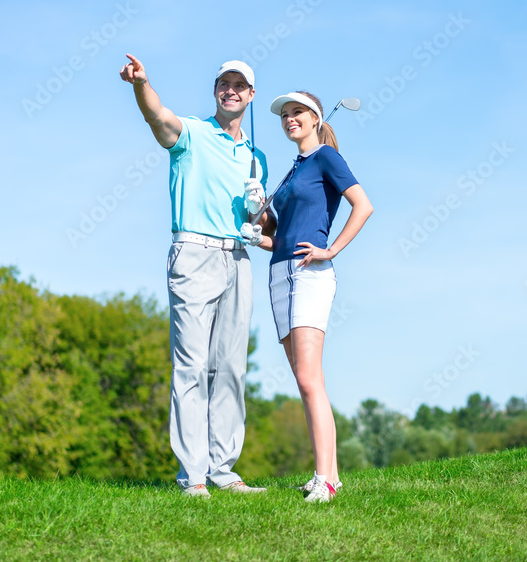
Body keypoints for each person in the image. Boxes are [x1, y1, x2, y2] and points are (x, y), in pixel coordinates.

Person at [119, 54, 269, 498]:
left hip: (239, 259)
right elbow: (157, 116)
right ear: (216, 90)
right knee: (191, 367)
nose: (231, 91)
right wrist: (141, 84)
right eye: (224, 83)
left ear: (251, 95)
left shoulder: (256, 157)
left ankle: (223, 468)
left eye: (239, 85)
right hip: (194, 254)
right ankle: (194, 475)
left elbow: (263, 229)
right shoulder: (192, 133)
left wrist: (260, 212)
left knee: (231, 368)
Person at [240, 91, 373, 503]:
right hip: (279, 274)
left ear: (315, 118)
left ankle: (326, 480)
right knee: (306, 381)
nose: (289, 119)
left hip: (308, 273)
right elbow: (278, 237)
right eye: (285, 114)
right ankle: (329, 473)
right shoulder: (292, 170)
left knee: (308, 378)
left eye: (297, 112)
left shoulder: (326, 159)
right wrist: (255, 228)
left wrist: (330, 250)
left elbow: (363, 206)